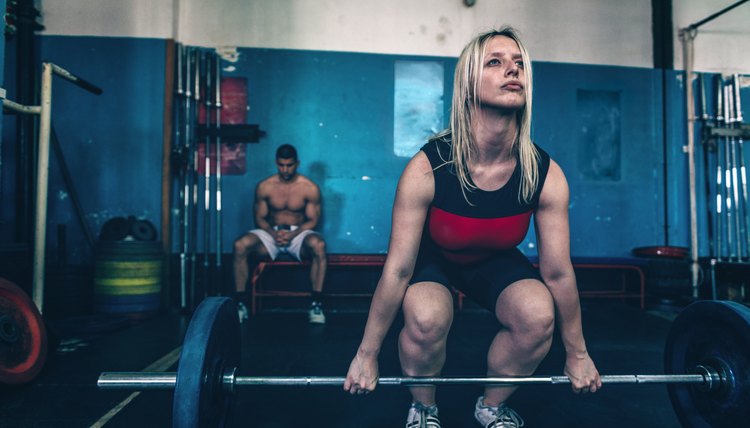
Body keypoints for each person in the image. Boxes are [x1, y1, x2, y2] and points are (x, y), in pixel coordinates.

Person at [343, 27, 602, 427]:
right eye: (495, 63)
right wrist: (367, 353)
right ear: (467, 83)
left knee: (537, 317)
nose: (512, 71)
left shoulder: (544, 174)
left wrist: (578, 353)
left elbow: (556, 271)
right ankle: (424, 408)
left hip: (494, 261)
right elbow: (397, 269)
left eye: (519, 65)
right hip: (435, 259)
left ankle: (491, 406)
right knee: (427, 319)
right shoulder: (428, 168)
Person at [233, 144, 328, 324]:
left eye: (290, 165)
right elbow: (259, 218)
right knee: (240, 245)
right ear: (276, 163)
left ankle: (316, 304)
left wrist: (293, 235)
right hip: (272, 233)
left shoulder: (309, 188)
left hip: (298, 234)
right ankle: (240, 304)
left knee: (319, 246)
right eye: (281, 165)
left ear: (297, 163)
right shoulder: (265, 187)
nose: (285, 169)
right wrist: (272, 233)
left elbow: (313, 220)